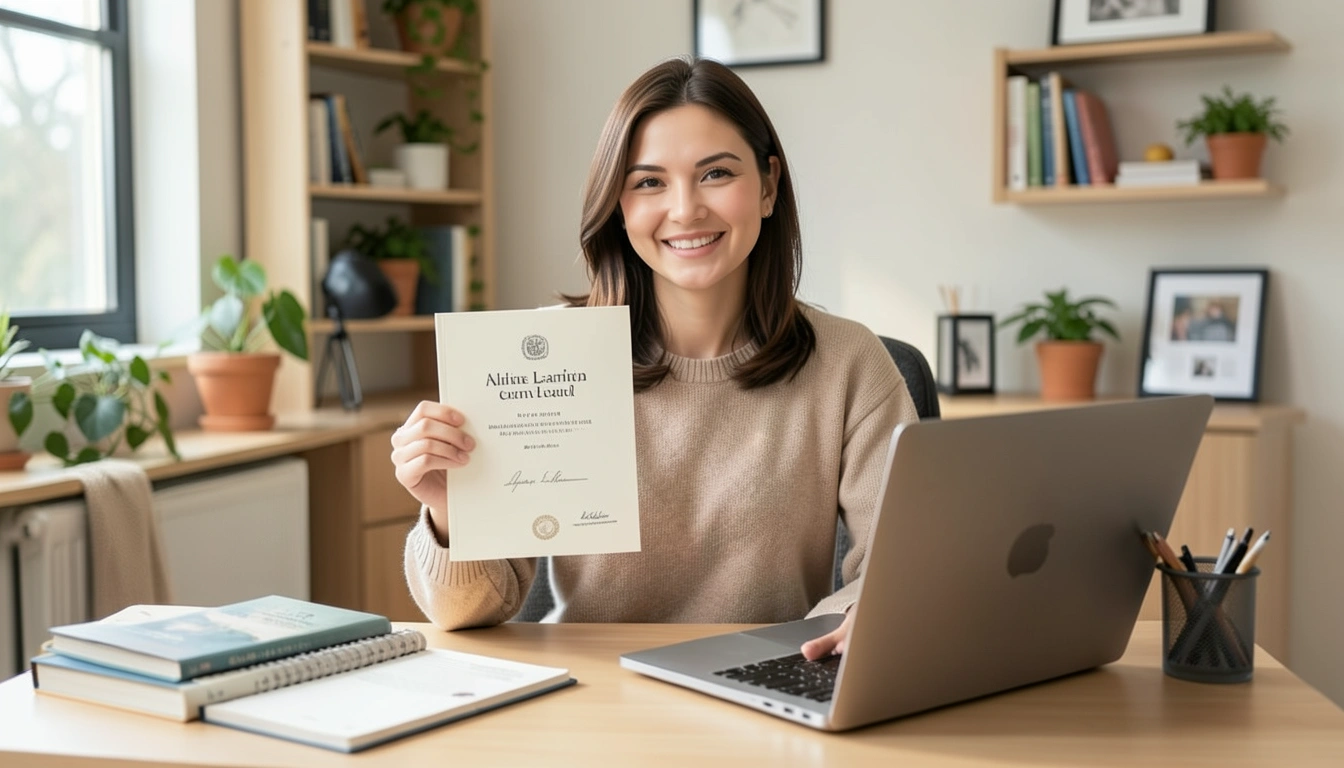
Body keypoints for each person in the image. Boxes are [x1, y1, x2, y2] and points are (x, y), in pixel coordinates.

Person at [390, 56, 918, 661]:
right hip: (592, 700)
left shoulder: (851, 363)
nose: (686, 209)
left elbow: (902, 569)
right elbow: (467, 613)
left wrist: (860, 611)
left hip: (770, 685)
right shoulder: (539, 361)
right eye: (649, 182)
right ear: (618, 205)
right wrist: (452, 514)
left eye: (716, 173)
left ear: (769, 185)